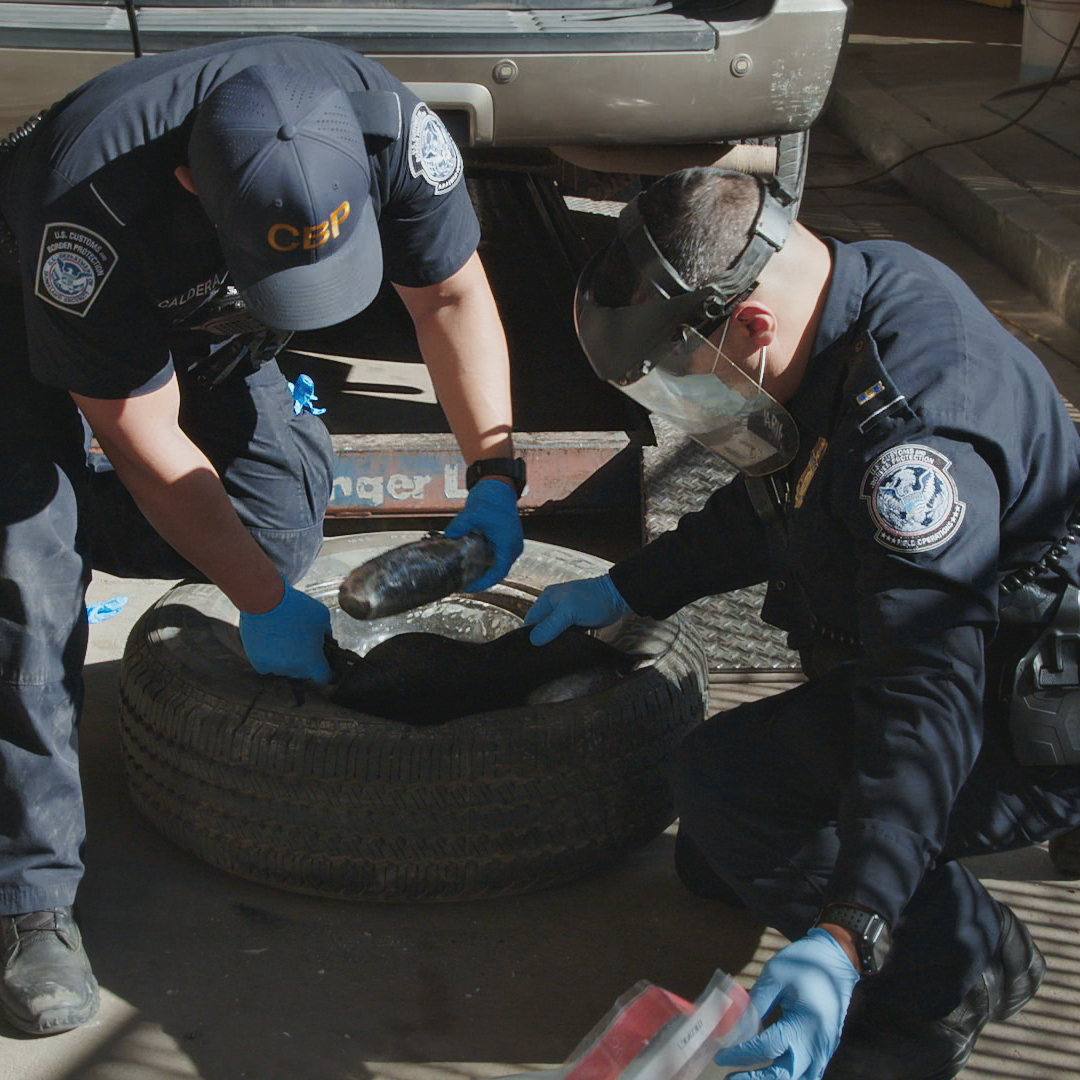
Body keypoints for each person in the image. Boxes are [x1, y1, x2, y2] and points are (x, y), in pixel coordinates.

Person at [0, 36, 526, 1035]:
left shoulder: (390, 130)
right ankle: (27, 898)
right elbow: (142, 435)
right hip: (23, 292)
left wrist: (496, 475)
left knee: (272, 531)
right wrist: (254, 601)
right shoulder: (90, 205)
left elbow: (452, 296)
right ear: (192, 181)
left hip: (199, 306)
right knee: (27, 571)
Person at [524, 166, 1080, 1080]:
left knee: (729, 787)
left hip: (1031, 701)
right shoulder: (845, 293)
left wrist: (850, 931)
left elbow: (925, 700)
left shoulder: (913, 445)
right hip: (970, 645)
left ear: (752, 325)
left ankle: (960, 968)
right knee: (717, 856)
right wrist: (627, 589)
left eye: (678, 376)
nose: (684, 405)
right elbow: (782, 500)